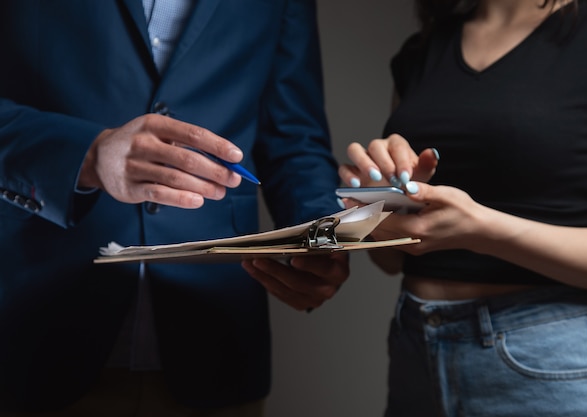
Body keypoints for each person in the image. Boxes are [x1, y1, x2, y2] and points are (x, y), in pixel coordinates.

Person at [0, 1, 348, 415]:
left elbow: (294, 140)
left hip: (218, 343)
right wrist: (88, 156)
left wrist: (324, 240)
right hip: (36, 331)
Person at [339, 0, 587, 415]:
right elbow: (392, 261)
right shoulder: (422, 50)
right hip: (414, 351)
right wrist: (376, 199)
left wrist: (482, 229)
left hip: (558, 361)